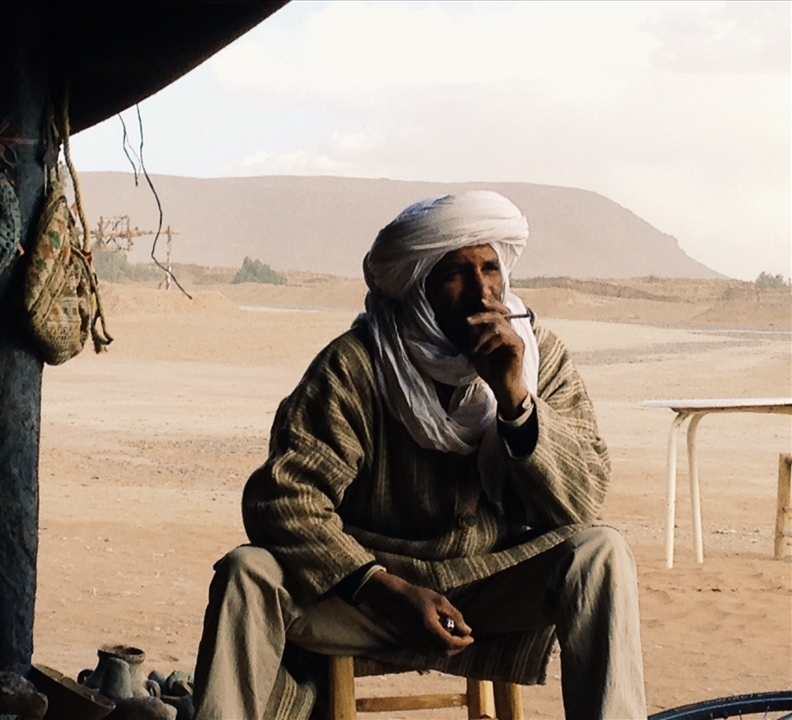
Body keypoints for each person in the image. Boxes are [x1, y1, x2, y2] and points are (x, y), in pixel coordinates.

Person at [192, 191, 646, 720]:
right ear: (419, 287)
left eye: (490, 268)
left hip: (488, 587)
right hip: (367, 595)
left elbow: (582, 501)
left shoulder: (537, 358)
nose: (481, 291)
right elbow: (280, 500)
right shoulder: (358, 365)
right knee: (248, 570)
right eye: (455, 272)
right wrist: (385, 588)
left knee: (602, 552)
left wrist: (516, 400)